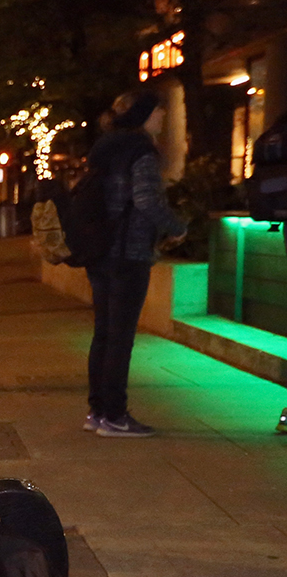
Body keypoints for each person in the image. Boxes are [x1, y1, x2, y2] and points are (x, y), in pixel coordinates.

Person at [84, 88, 186, 437]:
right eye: (158, 112)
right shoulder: (141, 151)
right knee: (120, 337)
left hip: (100, 251)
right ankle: (115, 415)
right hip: (129, 253)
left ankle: (98, 411)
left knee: (103, 333)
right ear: (144, 115)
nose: (162, 118)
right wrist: (177, 227)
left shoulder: (105, 147)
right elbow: (145, 199)